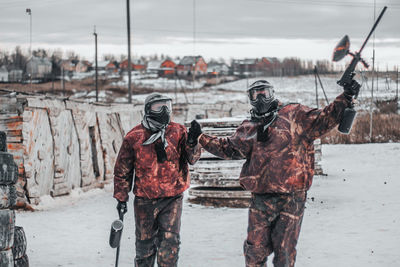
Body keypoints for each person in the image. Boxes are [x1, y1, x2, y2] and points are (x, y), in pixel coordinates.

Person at [188, 79, 361, 267]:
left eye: (265, 92)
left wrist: (346, 96)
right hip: (261, 199)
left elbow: (326, 118)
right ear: (250, 99)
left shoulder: (294, 114)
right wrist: (201, 137)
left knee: (284, 253)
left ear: (273, 93)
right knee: (254, 251)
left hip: (292, 198)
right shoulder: (249, 127)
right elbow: (228, 148)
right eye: (256, 94)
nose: (261, 97)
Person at [113, 93, 202, 267]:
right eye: (158, 106)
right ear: (148, 110)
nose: (163, 111)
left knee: (169, 244)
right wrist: (121, 197)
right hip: (145, 200)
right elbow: (123, 169)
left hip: (172, 198)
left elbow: (192, 158)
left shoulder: (178, 131)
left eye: (166, 106)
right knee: (144, 247)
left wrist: (193, 141)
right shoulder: (135, 136)